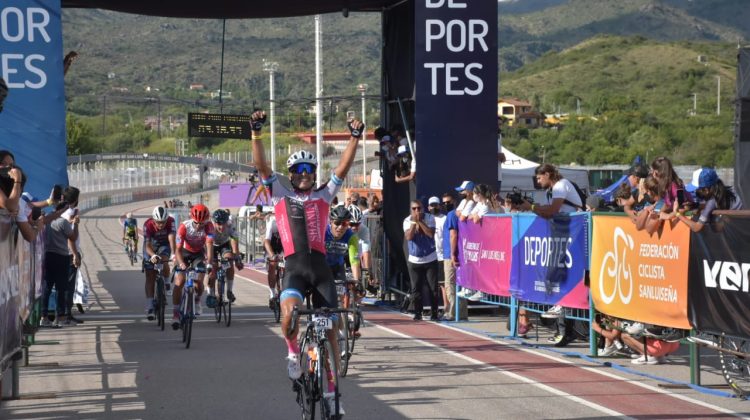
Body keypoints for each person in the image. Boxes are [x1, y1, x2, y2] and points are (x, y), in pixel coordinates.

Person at [252, 109, 363, 416]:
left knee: (329, 335)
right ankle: (291, 355)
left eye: (309, 170)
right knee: (288, 315)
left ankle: (331, 396)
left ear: (314, 174)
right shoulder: (278, 194)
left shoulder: (325, 195)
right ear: (290, 174)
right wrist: (256, 133)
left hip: (321, 270)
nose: (304, 174)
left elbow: (342, 167)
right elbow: (261, 166)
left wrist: (355, 137)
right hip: (296, 271)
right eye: (298, 170)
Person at [518, 164, 581, 346]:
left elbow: (552, 211)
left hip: (573, 235)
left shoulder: (561, 185)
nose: (538, 181)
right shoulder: (554, 189)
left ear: (547, 174)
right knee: (557, 277)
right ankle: (563, 330)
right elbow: (548, 212)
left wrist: (531, 206)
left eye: (539, 178)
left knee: (563, 278)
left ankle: (567, 329)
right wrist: (533, 207)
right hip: (563, 235)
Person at [172, 203, 214, 329]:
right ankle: (175, 313)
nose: (199, 226)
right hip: (183, 252)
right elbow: (177, 250)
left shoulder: (209, 226)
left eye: (202, 223)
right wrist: (181, 263)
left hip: (198, 254)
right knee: (180, 281)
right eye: (196, 223)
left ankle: (197, 299)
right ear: (192, 219)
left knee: (199, 281)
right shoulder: (183, 227)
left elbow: (209, 245)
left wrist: (210, 263)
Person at [41, 201, 79, 327]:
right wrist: (75, 224)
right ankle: (61, 317)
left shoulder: (46, 220)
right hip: (61, 257)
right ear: (63, 209)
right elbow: (73, 237)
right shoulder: (63, 222)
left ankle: (44, 317)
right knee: (61, 289)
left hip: (48, 255)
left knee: (47, 288)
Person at [403, 199, 440, 321]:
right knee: (416, 288)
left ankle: (434, 312)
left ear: (423, 208)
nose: (417, 211)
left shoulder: (430, 218)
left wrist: (420, 221)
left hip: (430, 258)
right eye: (414, 209)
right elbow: (409, 237)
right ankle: (418, 312)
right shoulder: (407, 220)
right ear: (410, 210)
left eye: (419, 208)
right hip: (415, 260)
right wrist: (414, 223)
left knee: (433, 288)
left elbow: (430, 233)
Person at [675, 167, 743, 232]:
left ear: (706, 190)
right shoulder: (724, 190)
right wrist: (694, 206)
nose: (696, 192)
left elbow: (697, 227)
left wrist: (677, 214)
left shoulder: (712, 201)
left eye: (697, 189)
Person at [143, 206, 176, 320]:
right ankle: (150, 305)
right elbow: (147, 245)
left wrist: (173, 253)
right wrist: (152, 255)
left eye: (163, 222)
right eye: (158, 222)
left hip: (164, 245)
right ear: (154, 220)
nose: (161, 225)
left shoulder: (171, 221)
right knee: (150, 275)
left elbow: (172, 239)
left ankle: (167, 283)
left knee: (164, 261)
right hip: (151, 246)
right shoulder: (147, 225)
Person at [206, 209, 243, 307]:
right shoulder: (210, 227)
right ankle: (211, 294)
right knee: (212, 269)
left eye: (223, 223)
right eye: (218, 224)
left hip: (224, 244)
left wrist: (237, 258)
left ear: (227, 222)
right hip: (211, 246)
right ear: (214, 222)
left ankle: (229, 291)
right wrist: (209, 262)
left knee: (229, 260)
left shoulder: (231, 225)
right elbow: (208, 244)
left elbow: (234, 242)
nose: (221, 226)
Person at [60, 187, 83, 324]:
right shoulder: (70, 214)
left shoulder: (60, 212)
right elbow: (71, 238)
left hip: (60, 252)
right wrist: (75, 255)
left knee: (63, 285)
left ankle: (64, 313)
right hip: (69, 253)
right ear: (75, 200)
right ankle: (66, 314)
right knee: (69, 285)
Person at [347, 204, 376, 293]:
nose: (354, 227)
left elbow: (366, 251)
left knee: (359, 291)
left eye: (357, 224)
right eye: (352, 224)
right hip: (342, 251)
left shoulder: (364, 229)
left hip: (355, 253)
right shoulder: (341, 227)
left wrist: (368, 272)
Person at [263, 214, 284, 306]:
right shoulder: (272, 222)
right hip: (271, 245)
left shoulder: (289, 220)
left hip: (283, 245)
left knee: (288, 266)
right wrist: (272, 255)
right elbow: (267, 241)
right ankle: (272, 293)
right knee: (272, 265)